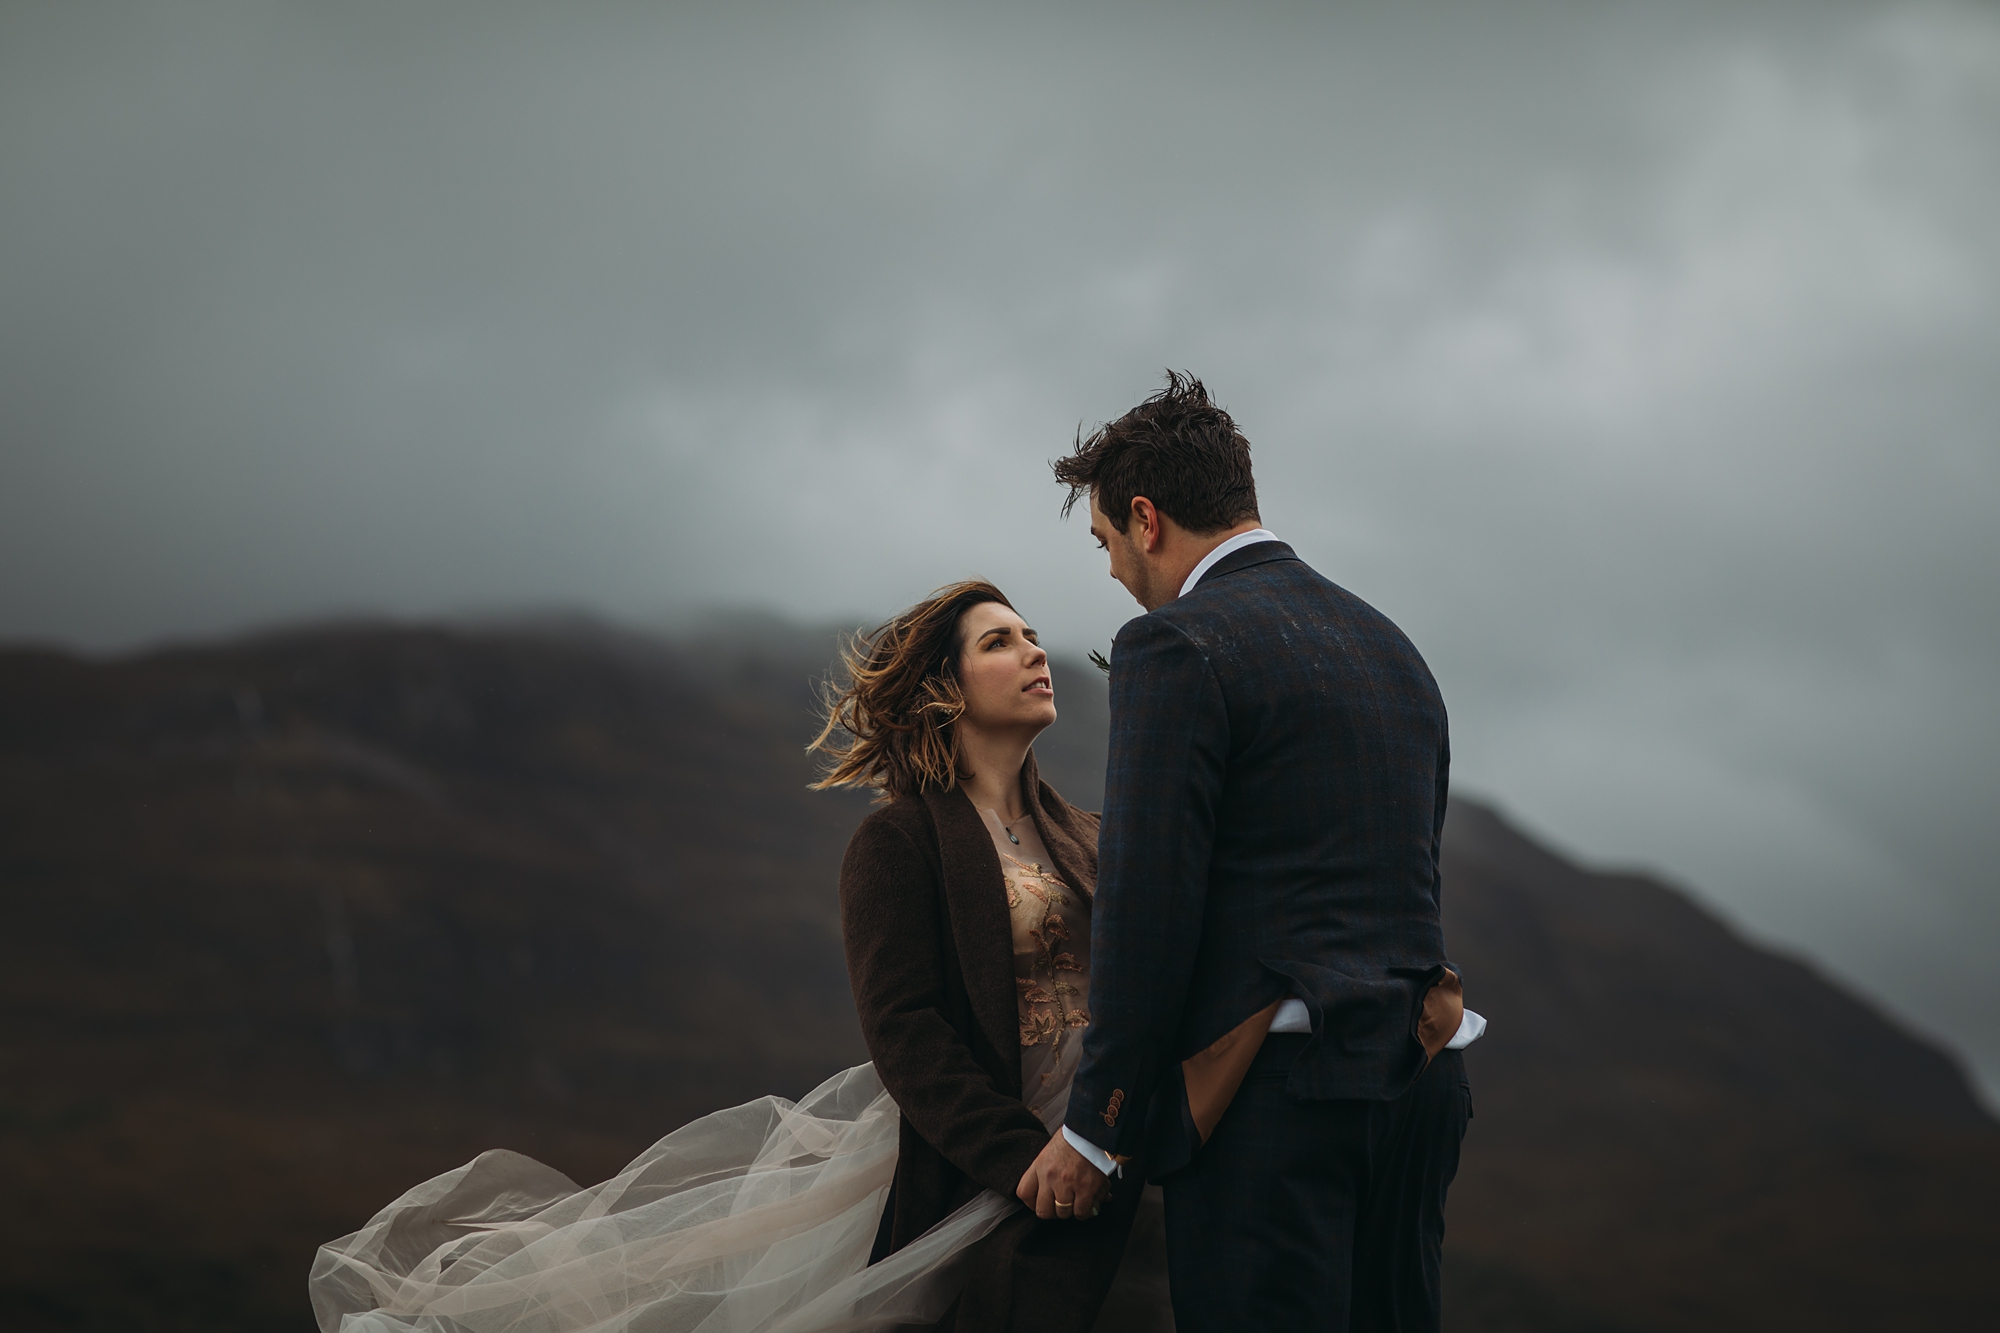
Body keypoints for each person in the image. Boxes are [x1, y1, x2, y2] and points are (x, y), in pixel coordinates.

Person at [306, 581, 1145, 1333]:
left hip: (1104, 1156)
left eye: (1032, 633)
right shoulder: (897, 843)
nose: (1034, 648)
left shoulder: (1090, 835)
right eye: (999, 640)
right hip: (975, 1168)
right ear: (942, 687)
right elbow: (906, 1031)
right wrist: (1019, 1158)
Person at [1017, 373, 1484, 1333]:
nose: (1110, 571)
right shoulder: (1391, 646)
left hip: (1278, 1102)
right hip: (1423, 1079)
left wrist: (1097, 1130)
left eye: (1104, 542)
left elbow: (1151, 909)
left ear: (1145, 519)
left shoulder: (1177, 644)